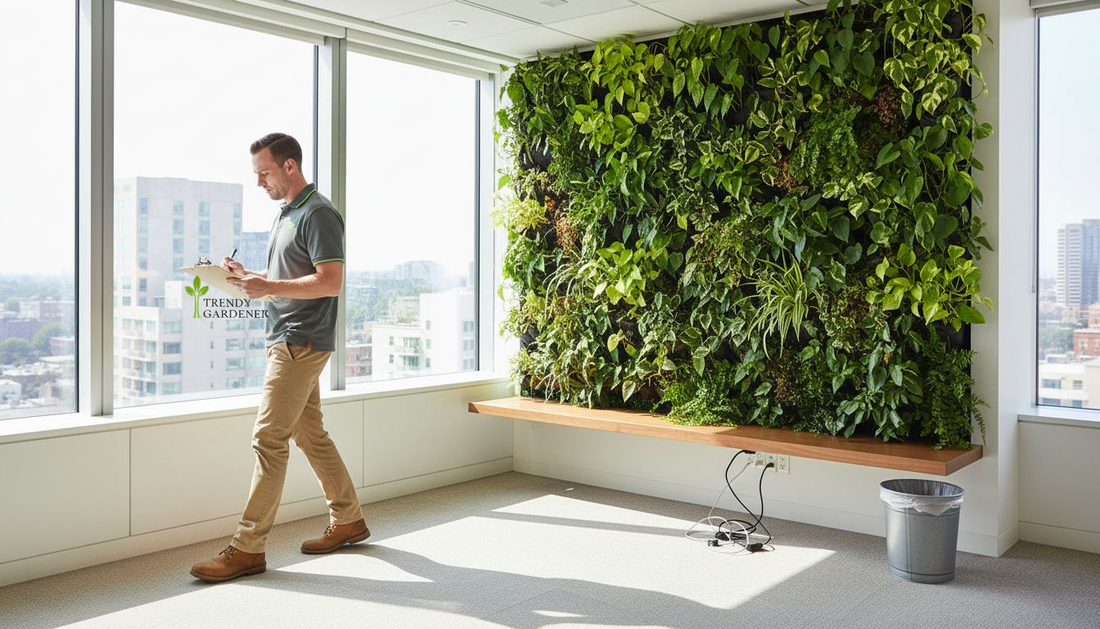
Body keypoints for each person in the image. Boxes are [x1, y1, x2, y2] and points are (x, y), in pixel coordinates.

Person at [190, 133, 368, 582]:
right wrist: (250, 276)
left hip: (301, 340)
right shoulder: (286, 215)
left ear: (290, 166)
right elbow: (292, 275)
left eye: (264, 172)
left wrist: (268, 288)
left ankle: (248, 547)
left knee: (268, 438)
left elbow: (329, 282)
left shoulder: (319, 213)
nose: (259, 182)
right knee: (310, 436)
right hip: (285, 336)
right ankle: (348, 519)